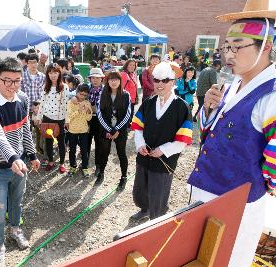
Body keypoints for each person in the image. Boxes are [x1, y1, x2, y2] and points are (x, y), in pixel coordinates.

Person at [187, 3, 276, 265]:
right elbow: (213, 133)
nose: (229, 53)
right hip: (206, 189)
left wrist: (262, 185)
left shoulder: (271, 95)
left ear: (266, 47)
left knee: (229, 258)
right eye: (227, 46)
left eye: (237, 46)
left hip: (238, 201)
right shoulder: (234, 83)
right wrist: (209, 109)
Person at [0, 58, 40, 266]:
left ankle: (15, 230)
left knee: (16, 203)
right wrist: (12, 157)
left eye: (17, 81)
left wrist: (31, 155)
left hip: (20, 165)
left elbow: (25, 130)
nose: (12, 86)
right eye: (7, 81)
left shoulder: (22, 99)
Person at [131, 62, 192, 221]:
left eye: (165, 80)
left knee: (159, 191)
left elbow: (183, 139)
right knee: (140, 188)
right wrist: (140, 144)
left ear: (173, 82)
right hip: (144, 156)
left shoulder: (182, 107)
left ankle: (156, 219)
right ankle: (144, 209)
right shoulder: (148, 103)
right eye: (157, 80)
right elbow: (138, 127)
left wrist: (164, 150)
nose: (160, 84)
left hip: (165, 159)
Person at [96, 70, 131, 190]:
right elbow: (99, 113)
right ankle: (101, 173)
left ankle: (124, 176)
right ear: (107, 81)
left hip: (120, 131)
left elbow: (128, 114)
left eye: (116, 79)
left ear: (120, 81)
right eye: (111, 79)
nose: (114, 81)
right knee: (104, 152)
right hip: (105, 130)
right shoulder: (102, 94)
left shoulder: (126, 95)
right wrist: (109, 129)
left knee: (122, 153)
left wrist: (117, 129)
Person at [36, 64, 69, 173]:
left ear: (59, 73)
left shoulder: (64, 87)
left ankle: (62, 163)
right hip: (47, 118)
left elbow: (66, 105)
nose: (53, 75)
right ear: (48, 74)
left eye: (55, 72)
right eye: (50, 73)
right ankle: (50, 161)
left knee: (61, 142)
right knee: (48, 141)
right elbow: (42, 103)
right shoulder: (45, 86)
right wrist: (39, 117)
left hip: (60, 119)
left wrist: (67, 120)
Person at [67, 84, 92, 178]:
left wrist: (88, 111)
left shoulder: (87, 103)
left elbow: (89, 119)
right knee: (72, 149)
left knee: (84, 150)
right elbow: (69, 116)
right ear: (77, 92)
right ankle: (72, 166)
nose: (82, 97)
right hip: (72, 130)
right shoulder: (71, 102)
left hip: (84, 130)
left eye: (85, 95)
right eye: (81, 94)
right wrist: (78, 109)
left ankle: (84, 167)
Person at [86, 68, 105, 176]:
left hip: (100, 120)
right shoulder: (85, 88)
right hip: (87, 119)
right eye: (93, 77)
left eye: (98, 78)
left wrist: (96, 109)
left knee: (99, 143)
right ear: (90, 79)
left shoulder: (106, 90)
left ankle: (98, 165)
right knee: (86, 141)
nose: (95, 80)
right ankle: (85, 162)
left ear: (102, 79)